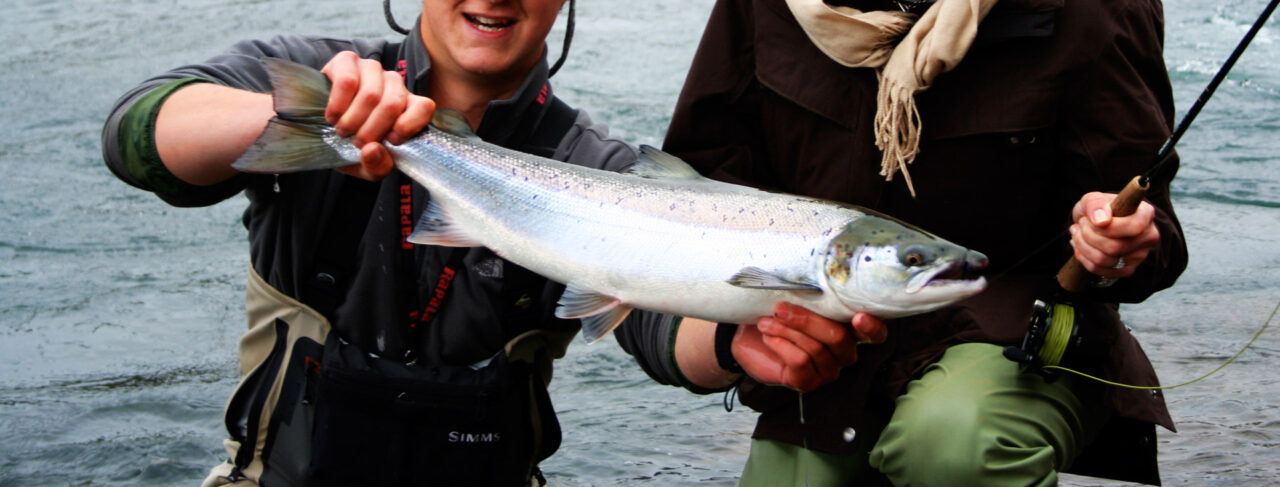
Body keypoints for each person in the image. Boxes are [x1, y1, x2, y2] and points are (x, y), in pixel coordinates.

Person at [103, 0, 846, 485]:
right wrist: (309, 114)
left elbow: (661, 326)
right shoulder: (323, 70)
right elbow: (138, 137)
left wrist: (737, 343)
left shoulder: (597, 168)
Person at [616, 0, 1187, 485]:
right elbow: (704, 187)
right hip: (831, 363)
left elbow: (1154, 237)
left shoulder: (1097, 12)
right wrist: (735, 334)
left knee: (953, 444)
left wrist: (1119, 245)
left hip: (1009, 339)